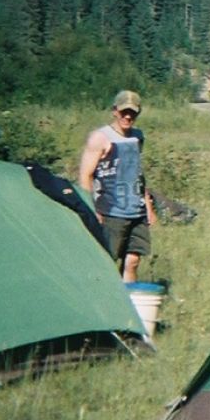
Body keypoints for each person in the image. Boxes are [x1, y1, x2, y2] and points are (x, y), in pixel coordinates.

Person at [79, 90, 156, 283]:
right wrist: (91, 208)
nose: (128, 116)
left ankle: (128, 305)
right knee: (106, 260)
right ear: (115, 111)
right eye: (124, 112)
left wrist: (148, 206)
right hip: (111, 210)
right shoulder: (100, 137)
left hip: (136, 210)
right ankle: (100, 299)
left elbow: (136, 173)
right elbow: (85, 175)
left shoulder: (138, 137)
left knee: (133, 261)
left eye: (133, 112)